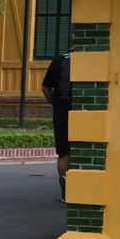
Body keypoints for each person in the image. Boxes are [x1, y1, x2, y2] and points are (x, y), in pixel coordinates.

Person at [42, 51, 71, 200]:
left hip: (61, 112)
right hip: (85, 112)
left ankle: (66, 191)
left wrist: (56, 103)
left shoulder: (58, 61)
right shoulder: (90, 57)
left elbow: (45, 88)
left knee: (64, 152)